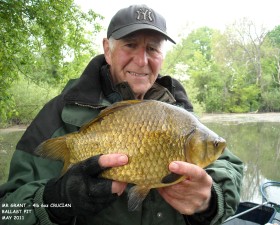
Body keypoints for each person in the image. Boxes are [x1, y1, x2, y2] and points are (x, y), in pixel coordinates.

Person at [0, 4, 243, 225]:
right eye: (130, 45)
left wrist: (211, 200)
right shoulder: (57, 115)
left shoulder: (178, 110)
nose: (142, 60)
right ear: (108, 49)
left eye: (152, 48)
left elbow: (229, 166)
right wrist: (55, 203)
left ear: (162, 55)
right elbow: (9, 210)